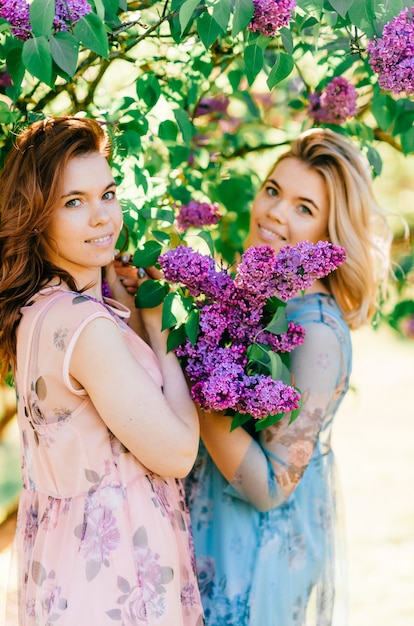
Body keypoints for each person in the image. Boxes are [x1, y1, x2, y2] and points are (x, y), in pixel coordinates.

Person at [0, 116, 205, 625]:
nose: (102, 218)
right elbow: (178, 452)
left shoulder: (39, 310)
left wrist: (125, 307)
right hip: (117, 580)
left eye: (108, 194)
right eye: (74, 202)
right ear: (36, 216)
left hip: (68, 569)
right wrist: (159, 328)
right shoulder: (85, 325)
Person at [183, 128, 392, 625]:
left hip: (253, 567)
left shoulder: (315, 333)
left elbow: (272, 486)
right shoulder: (253, 296)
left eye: (304, 208)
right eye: (273, 190)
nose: (275, 212)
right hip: (205, 533)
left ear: (328, 233)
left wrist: (197, 383)